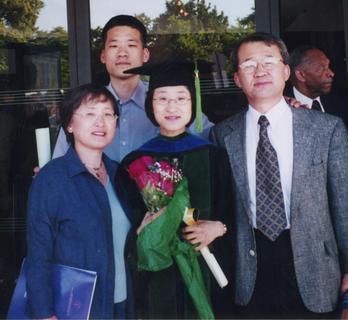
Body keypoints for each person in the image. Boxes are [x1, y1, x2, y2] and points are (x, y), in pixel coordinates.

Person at [209, 32, 348, 319]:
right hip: (249, 270)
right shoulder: (223, 134)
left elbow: (345, 204)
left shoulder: (326, 129)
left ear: (286, 71)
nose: (259, 71)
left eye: (269, 61)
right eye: (248, 65)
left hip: (316, 270)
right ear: (236, 79)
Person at [115, 60, 234, 319]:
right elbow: (129, 223)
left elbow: (234, 211)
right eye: (162, 98)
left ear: (193, 104)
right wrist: (145, 229)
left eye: (181, 98)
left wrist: (218, 227)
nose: (172, 106)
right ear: (150, 105)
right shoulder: (135, 163)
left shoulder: (215, 156)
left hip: (208, 269)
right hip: (158, 274)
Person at [26, 84, 133, 319]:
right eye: (89, 113)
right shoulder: (51, 179)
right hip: (76, 308)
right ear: (70, 124)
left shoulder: (120, 175)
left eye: (108, 114)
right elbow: (38, 253)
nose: (100, 122)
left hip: (122, 303)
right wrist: (44, 314)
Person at [52, 15, 213, 162]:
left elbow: (211, 139)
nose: (122, 53)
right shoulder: (83, 107)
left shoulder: (166, 102)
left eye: (131, 45)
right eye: (114, 46)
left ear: (145, 55)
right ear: (103, 56)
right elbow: (59, 164)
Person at [286, 45, 348, 123]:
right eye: (321, 69)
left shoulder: (340, 105)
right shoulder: (284, 108)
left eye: (328, 66)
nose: (331, 73)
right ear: (301, 75)